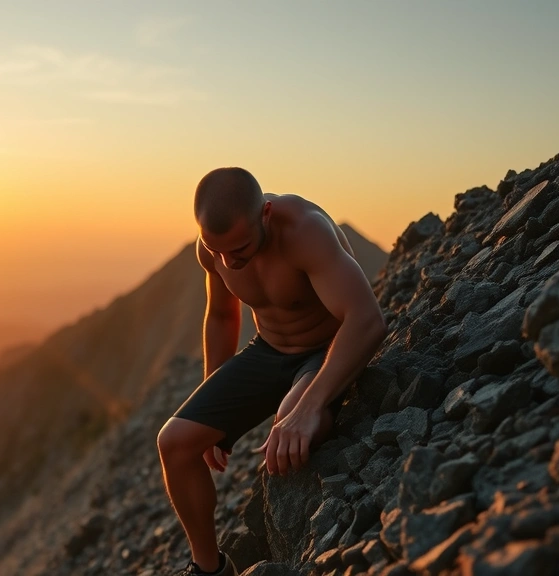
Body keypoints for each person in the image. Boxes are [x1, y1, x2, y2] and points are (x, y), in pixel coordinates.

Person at [157, 167, 387, 576]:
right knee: (174, 443)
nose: (229, 261)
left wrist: (309, 406)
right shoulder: (214, 250)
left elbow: (367, 320)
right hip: (268, 350)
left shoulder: (305, 231)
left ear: (265, 214)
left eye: (240, 248)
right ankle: (209, 569)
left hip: (326, 350)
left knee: (288, 432)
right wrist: (217, 414)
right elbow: (223, 317)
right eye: (217, 250)